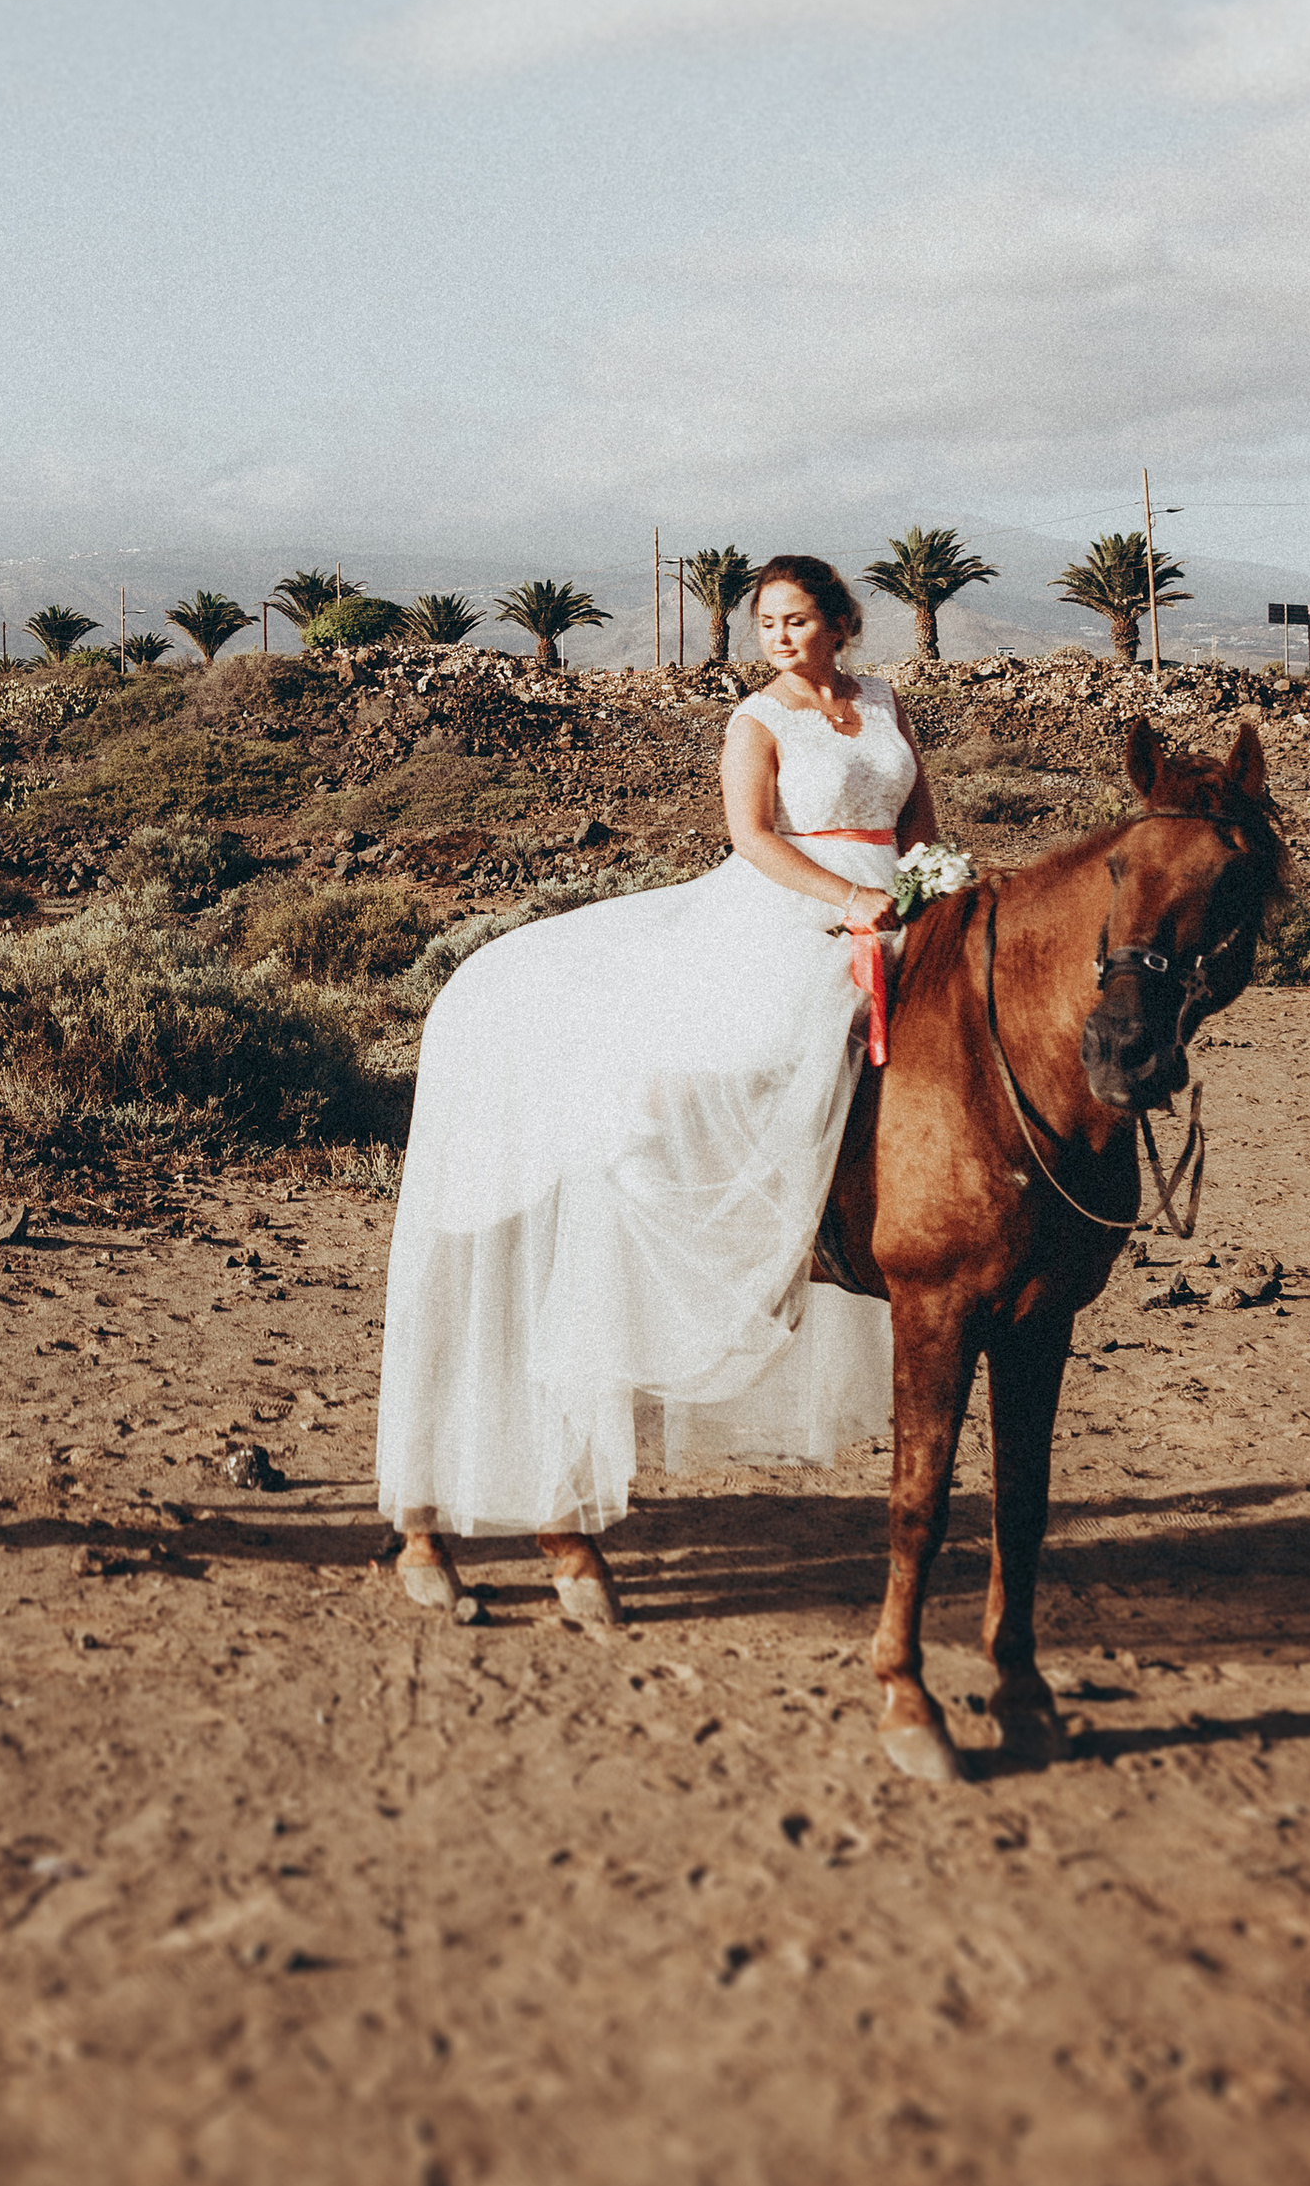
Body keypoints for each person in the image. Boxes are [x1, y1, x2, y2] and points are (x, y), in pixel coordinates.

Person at [378, 556, 941, 1621]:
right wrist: (845, 905)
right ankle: (670, 1173)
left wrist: (930, 887)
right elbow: (753, 838)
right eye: (764, 622)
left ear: (840, 622)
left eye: (795, 618)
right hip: (791, 908)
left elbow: (917, 823)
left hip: (896, 906)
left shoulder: (881, 702)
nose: (778, 636)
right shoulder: (756, 718)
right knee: (758, 1052)